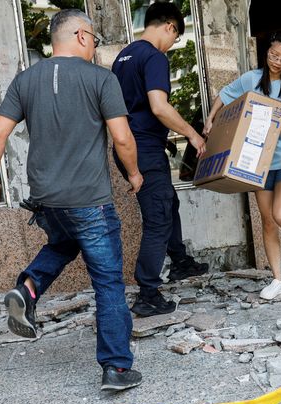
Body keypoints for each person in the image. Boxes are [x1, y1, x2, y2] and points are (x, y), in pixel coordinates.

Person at [0, 9, 145, 392]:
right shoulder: (101, 79)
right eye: (96, 41)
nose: (95, 48)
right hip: (89, 199)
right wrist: (135, 174)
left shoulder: (25, 80)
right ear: (83, 36)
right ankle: (117, 367)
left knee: (63, 242)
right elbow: (122, 138)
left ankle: (28, 289)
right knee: (107, 283)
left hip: (47, 200)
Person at [204, 32, 281, 300]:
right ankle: (277, 279)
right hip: (259, 161)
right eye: (273, 55)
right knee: (268, 221)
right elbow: (225, 94)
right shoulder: (252, 78)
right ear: (266, 52)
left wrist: (266, 127)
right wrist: (211, 118)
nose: (276, 61)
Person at [111, 2, 208, 318]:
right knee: (158, 218)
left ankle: (179, 261)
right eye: (176, 36)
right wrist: (193, 136)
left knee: (168, 205)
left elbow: (129, 109)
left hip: (130, 144)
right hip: (143, 149)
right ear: (169, 26)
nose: (173, 42)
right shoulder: (154, 57)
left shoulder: (123, 57)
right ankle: (148, 293)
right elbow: (158, 106)